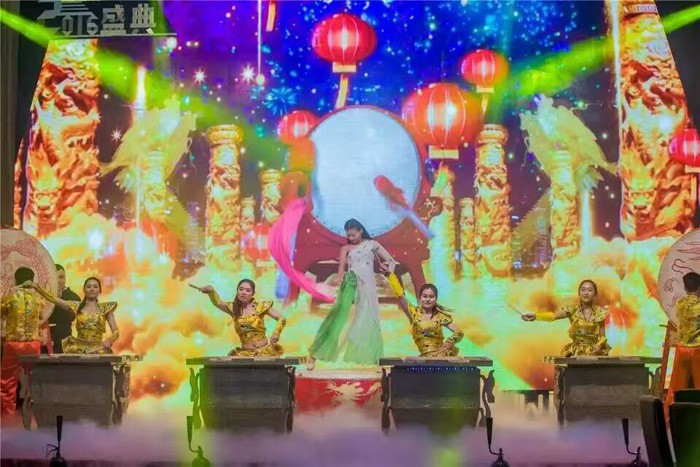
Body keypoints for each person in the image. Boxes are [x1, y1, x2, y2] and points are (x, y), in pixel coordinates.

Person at [306, 219, 397, 369]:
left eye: (353, 235)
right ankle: (314, 354)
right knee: (338, 315)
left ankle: (374, 358)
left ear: (361, 230)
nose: (351, 238)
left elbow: (390, 260)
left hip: (368, 283)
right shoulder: (346, 248)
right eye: (348, 235)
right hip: (351, 280)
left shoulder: (372, 244)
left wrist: (388, 275)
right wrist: (337, 280)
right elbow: (341, 270)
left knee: (370, 317)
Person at [1, 268, 51, 415]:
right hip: (32, 343)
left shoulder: (10, 296)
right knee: (34, 377)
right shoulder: (37, 298)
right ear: (32, 279)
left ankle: (7, 413)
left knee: (7, 380)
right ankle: (36, 411)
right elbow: (42, 317)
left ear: (15, 279)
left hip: (13, 342)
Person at [26, 277, 119, 354]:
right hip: (78, 348)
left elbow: (116, 332)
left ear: (100, 290)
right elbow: (54, 299)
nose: (92, 289)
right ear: (84, 290)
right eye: (88, 286)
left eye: (95, 287)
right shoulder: (76, 306)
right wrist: (36, 287)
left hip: (98, 349)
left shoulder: (106, 308)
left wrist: (109, 340)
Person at [521, 279, 610, 357]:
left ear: (595, 294)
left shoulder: (600, 312)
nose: (586, 293)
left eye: (590, 290)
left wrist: (598, 345)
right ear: (579, 293)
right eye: (583, 290)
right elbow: (553, 316)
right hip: (576, 351)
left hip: (593, 352)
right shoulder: (572, 310)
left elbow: (603, 337)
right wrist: (535, 316)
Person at [384, 271, 464, 356]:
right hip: (425, 358)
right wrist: (390, 275)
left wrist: (450, 342)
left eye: (431, 297)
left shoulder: (440, 316)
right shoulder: (414, 313)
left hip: (441, 356)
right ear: (420, 298)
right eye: (425, 296)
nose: (428, 299)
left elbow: (459, 332)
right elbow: (400, 296)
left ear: (436, 299)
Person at [199, 279, 287, 356]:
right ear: (237, 291)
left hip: (264, 352)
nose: (243, 293)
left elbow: (282, 318)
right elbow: (217, 302)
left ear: (253, 294)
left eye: (248, 290)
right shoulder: (233, 308)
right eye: (241, 289)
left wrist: (276, 333)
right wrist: (211, 291)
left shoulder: (261, 306)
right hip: (245, 354)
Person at [665, 272, 700, 417]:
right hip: (697, 350)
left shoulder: (680, 304)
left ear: (685, 288)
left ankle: (670, 417)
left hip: (681, 350)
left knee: (676, 387)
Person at [44, 264, 81, 354]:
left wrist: (59, 298)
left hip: (65, 343)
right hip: (44, 341)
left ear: (65, 278)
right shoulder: (42, 295)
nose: (59, 281)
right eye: (55, 278)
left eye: (61, 277)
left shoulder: (74, 297)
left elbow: (71, 317)